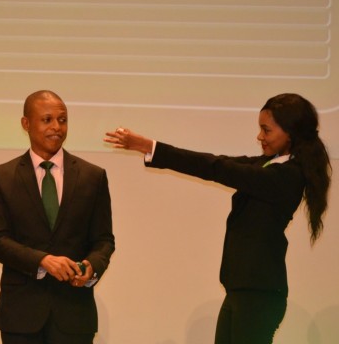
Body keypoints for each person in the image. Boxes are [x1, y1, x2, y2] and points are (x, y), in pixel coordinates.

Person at [104, 93, 331, 344]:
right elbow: (216, 162)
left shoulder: (287, 176)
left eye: (266, 130)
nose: (260, 136)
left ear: (291, 132)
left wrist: (151, 146)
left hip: (259, 293)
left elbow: (216, 168)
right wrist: (152, 149)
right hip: (242, 289)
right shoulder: (268, 164)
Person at [0, 90, 115, 344]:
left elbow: (104, 240)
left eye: (62, 120)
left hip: (74, 315)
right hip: (21, 315)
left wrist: (92, 267)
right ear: (26, 124)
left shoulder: (93, 177)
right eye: (47, 120)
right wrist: (43, 260)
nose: (57, 127)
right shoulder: (0, 178)